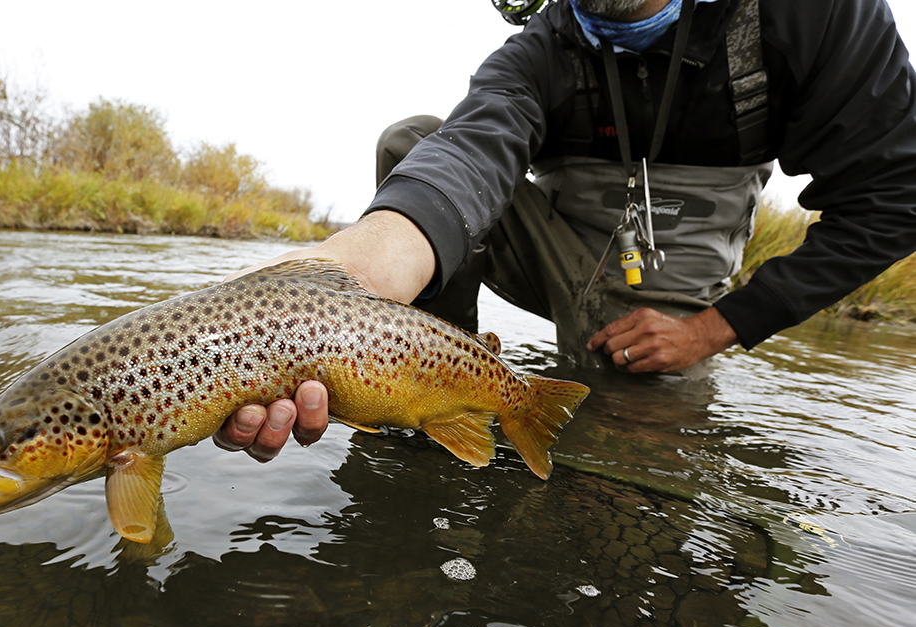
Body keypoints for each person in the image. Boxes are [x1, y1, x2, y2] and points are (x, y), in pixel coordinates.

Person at [213, 0, 916, 462]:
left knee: (628, 465)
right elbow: (467, 152)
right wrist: (354, 274)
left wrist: (717, 327)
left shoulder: (813, 16)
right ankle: (428, 400)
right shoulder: (539, 49)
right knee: (412, 140)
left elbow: (895, 196)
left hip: (665, 309)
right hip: (554, 259)